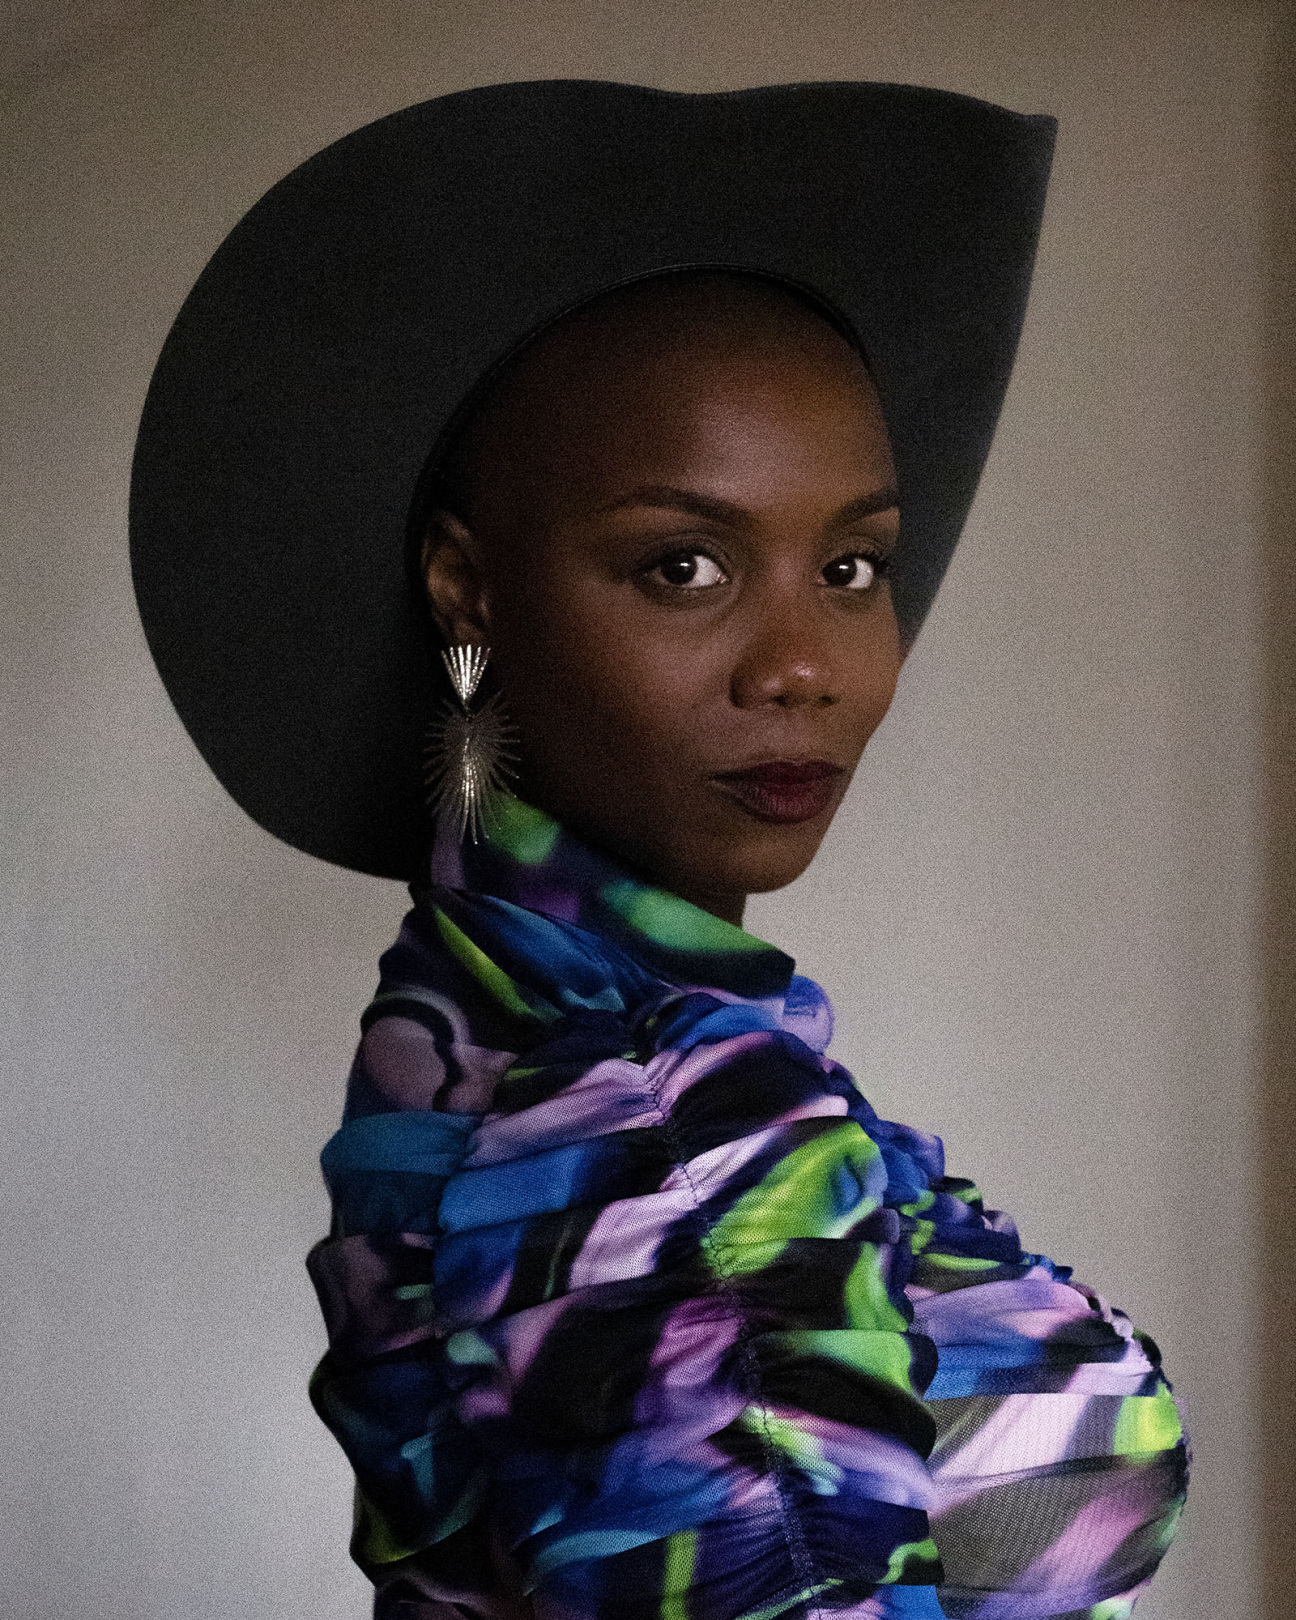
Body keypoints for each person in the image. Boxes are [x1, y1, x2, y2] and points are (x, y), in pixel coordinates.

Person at [129, 81, 1187, 1620]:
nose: (804, 666)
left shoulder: (500, 1004)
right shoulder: (663, 1122)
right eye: (683, 564)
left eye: (850, 564)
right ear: (468, 593)